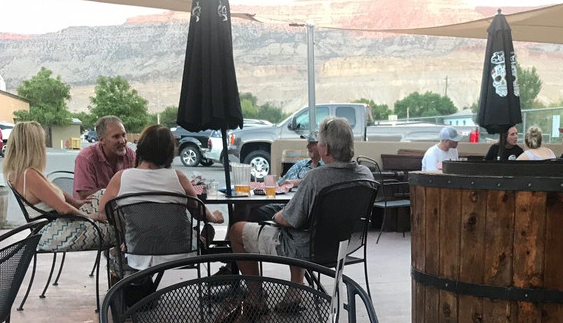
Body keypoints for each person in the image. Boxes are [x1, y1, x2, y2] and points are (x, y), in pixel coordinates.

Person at [228, 116, 372, 292]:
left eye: (319, 143)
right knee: (301, 229)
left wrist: (277, 216)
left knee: (237, 230)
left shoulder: (316, 177)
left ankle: (255, 297)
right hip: (343, 246)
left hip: (307, 249)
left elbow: (289, 220)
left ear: (326, 149)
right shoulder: (365, 175)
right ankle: (294, 292)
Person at [99, 124, 223, 272]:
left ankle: (138, 278)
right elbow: (199, 212)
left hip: (138, 254)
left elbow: (104, 211)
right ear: (169, 152)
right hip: (181, 255)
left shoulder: (120, 178)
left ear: (141, 147)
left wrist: (127, 234)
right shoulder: (178, 177)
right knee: (207, 229)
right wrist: (215, 217)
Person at [3, 120, 114, 252]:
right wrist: (89, 217)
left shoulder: (17, 173)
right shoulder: (29, 175)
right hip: (56, 233)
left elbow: (53, 192)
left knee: (104, 194)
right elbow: (63, 209)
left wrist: (76, 203)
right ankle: (119, 258)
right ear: (34, 146)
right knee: (118, 229)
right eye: (42, 142)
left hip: (52, 229)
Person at [74, 115, 136, 200]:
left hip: (122, 205)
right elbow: (85, 194)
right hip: (92, 207)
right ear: (102, 140)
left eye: (123, 135)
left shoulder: (129, 155)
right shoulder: (86, 158)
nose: (122, 141)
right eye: (116, 136)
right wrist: (116, 192)